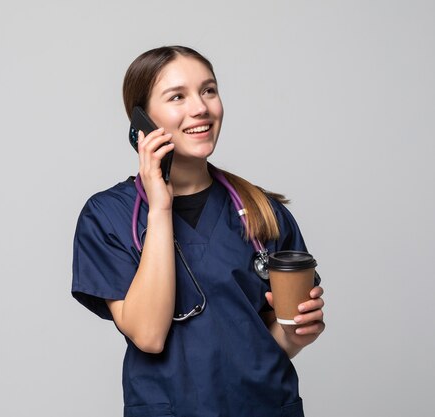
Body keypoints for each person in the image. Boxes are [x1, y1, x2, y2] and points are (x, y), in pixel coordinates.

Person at [71, 45, 325, 417]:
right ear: (141, 119)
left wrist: (297, 332)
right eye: (178, 96)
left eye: (208, 90)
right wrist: (160, 206)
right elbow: (149, 335)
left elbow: (270, 342)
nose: (201, 108)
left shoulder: (261, 211)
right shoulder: (107, 216)